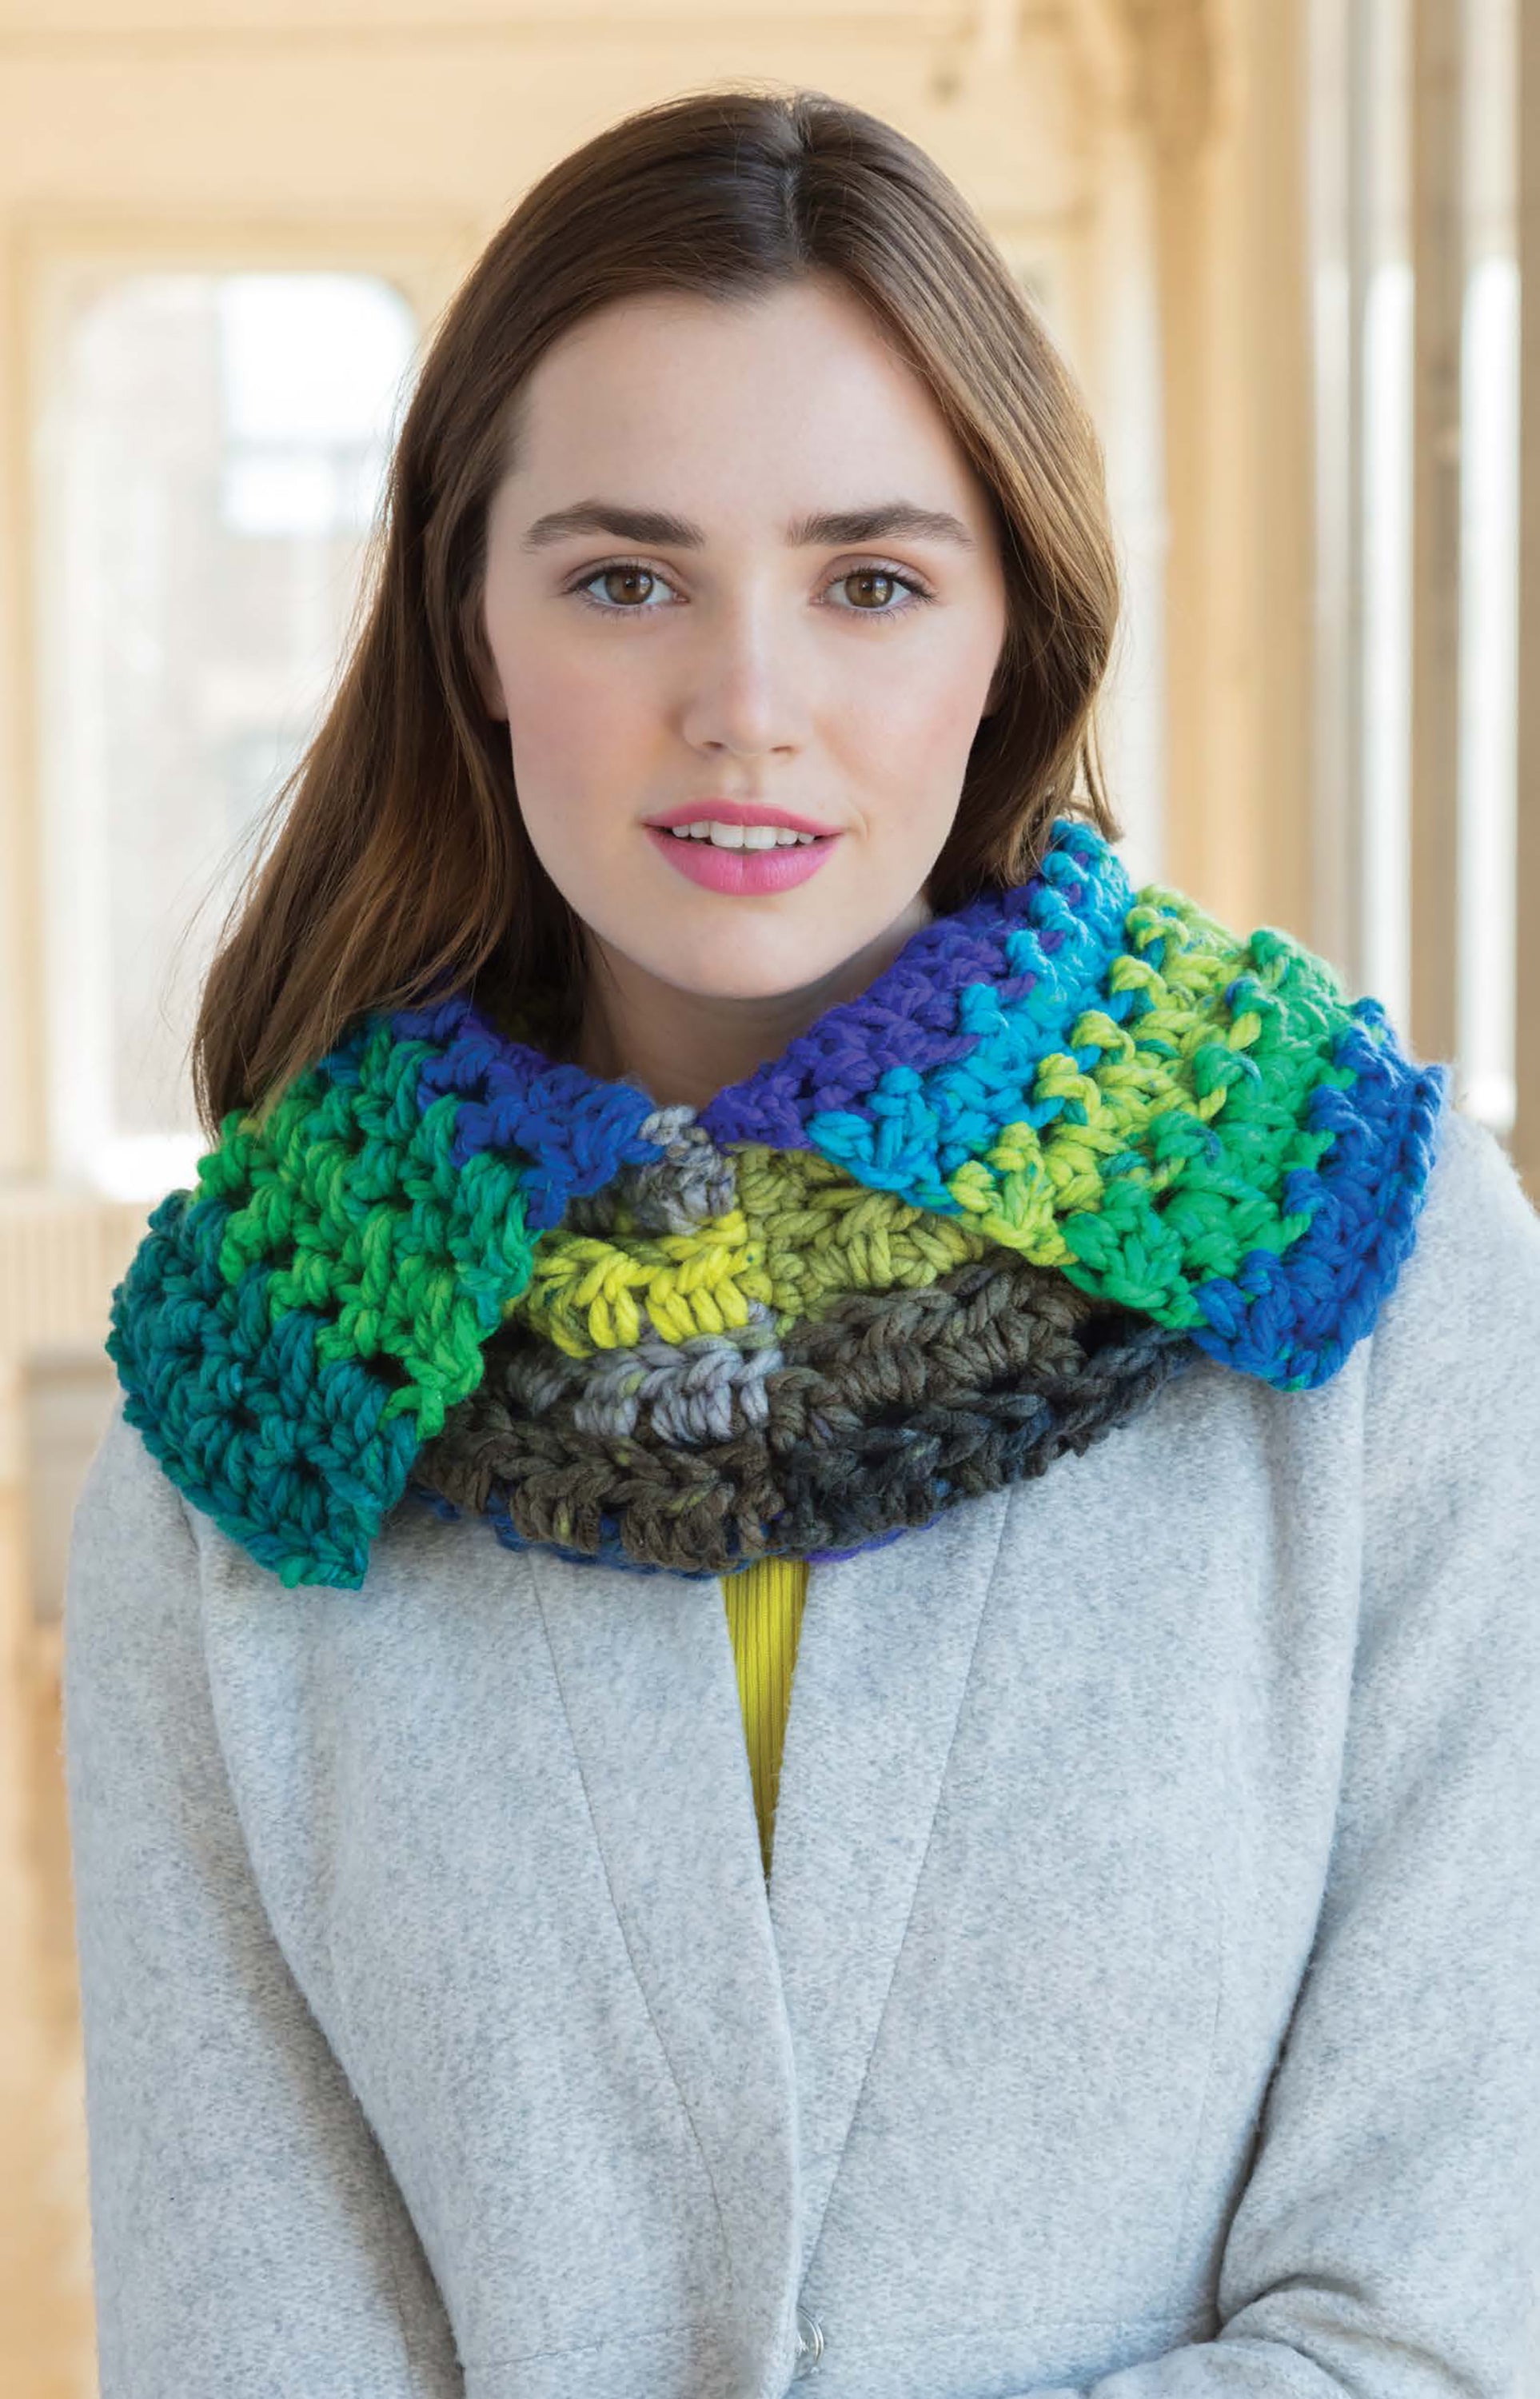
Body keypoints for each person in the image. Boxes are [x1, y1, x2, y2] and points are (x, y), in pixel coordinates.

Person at [64, 83, 1540, 2399]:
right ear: (475, 624)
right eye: (624, 575)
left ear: (1005, 633)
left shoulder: (1361, 1259)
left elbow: (1455, 2324)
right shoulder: (263, 1403)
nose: (744, 704)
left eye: (869, 579)